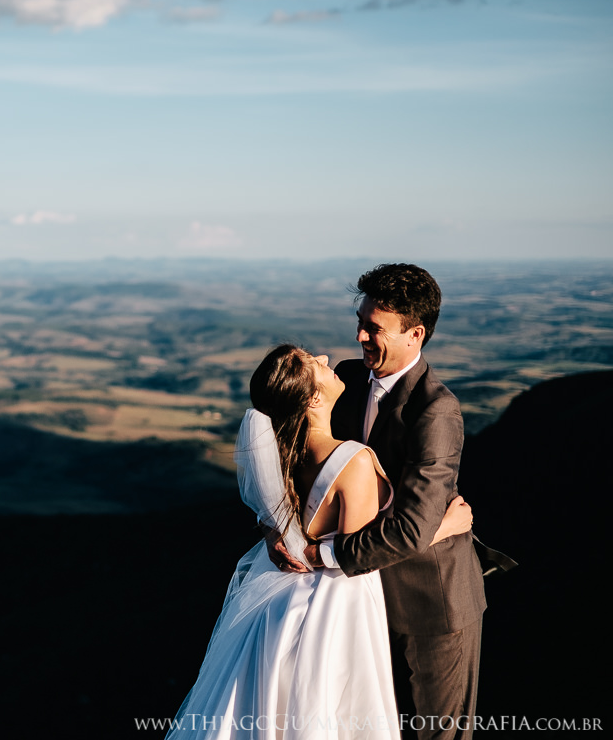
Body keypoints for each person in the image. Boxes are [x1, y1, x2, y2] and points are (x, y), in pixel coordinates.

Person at [166, 345, 473, 739]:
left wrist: (274, 533)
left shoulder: (282, 452)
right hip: (333, 605)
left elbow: (276, 514)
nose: (328, 360)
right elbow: (364, 553)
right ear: (312, 398)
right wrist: (444, 528)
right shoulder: (353, 462)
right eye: (316, 363)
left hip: (280, 604)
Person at [274, 264, 488, 740]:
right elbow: (298, 470)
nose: (359, 335)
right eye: (361, 321)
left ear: (416, 334)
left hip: (429, 605)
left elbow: (411, 529)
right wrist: (280, 529)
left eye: (374, 328)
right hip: (359, 601)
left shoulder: (435, 410)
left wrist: (320, 555)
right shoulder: (346, 380)